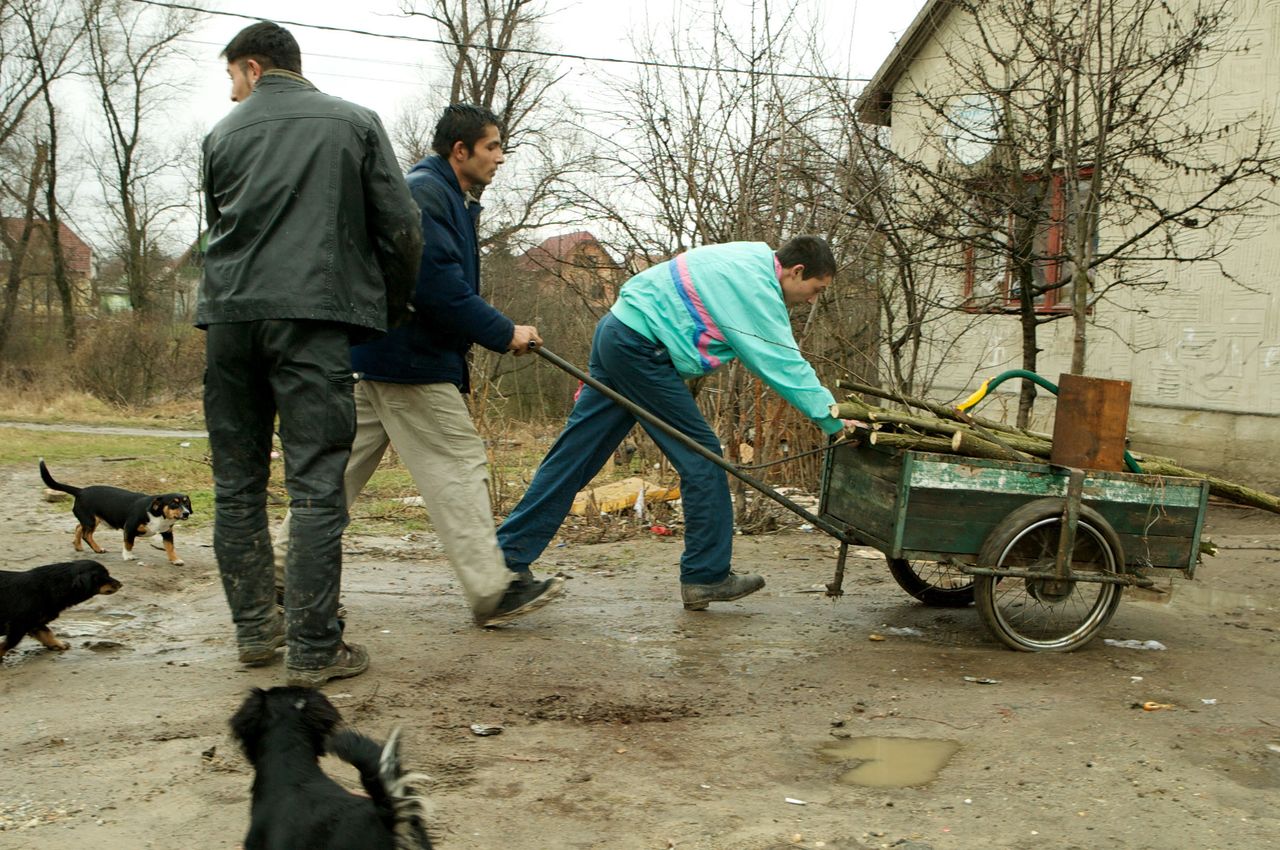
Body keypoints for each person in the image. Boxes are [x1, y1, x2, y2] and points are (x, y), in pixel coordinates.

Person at [274, 104, 564, 627]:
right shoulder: (428, 194)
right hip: (410, 362)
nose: (500, 157)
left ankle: (277, 574)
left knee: (334, 475)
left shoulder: (445, 196)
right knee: (458, 464)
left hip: (375, 357)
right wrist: (504, 332)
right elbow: (436, 287)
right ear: (461, 150)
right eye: (492, 146)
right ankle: (492, 590)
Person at [198, 22, 422, 687]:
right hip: (311, 318)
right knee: (317, 485)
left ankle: (255, 632)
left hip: (228, 320)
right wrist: (387, 309)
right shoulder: (354, 123)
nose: (232, 93)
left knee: (236, 484)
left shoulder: (220, 136)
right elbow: (403, 229)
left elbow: (218, 228)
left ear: (254, 68)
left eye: (232, 77)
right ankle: (314, 647)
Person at [497, 236, 844, 609]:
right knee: (703, 458)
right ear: (797, 271)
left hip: (617, 332)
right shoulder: (756, 286)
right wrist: (834, 420)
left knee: (573, 458)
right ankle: (705, 575)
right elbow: (783, 363)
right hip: (640, 350)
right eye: (816, 289)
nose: (812, 300)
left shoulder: (746, 256)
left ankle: (503, 563)